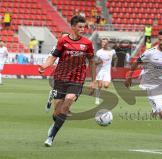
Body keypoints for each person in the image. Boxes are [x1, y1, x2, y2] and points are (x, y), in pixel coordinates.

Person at [39, 16, 95, 147]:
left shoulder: (87, 43)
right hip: (60, 78)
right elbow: (53, 58)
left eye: (84, 27)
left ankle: (51, 136)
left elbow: (92, 62)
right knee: (57, 112)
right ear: (73, 27)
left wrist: (93, 81)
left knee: (68, 102)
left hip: (77, 79)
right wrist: (44, 66)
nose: (83, 29)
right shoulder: (62, 41)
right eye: (80, 27)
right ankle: (56, 122)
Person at [125, 30, 162, 142]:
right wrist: (129, 76)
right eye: (159, 40)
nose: (161, 42)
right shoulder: (150, 52)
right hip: (151, 87)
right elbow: (137, 61)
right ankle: (156, 109)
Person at [44, 32, 69, 113]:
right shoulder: (56, 47)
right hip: (59, 71)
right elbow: (50, 57)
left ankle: (53, 97)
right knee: (58, 90)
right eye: (63, 38)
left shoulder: (72, 48)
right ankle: (56, 105)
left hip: (69, 72)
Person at [95, 38, 118, 105]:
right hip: (100, 70)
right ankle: (97, 99)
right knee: (99, 85)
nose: (103, 43)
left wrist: (114, 66)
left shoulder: (112, 51)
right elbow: (95, 63)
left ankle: (102, 90)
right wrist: (99, 62)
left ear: (107, 44)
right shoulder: (99, 52)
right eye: (102, 42)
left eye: (104, 42)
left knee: (106, 86)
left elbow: (116, 58)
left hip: (107, 71)